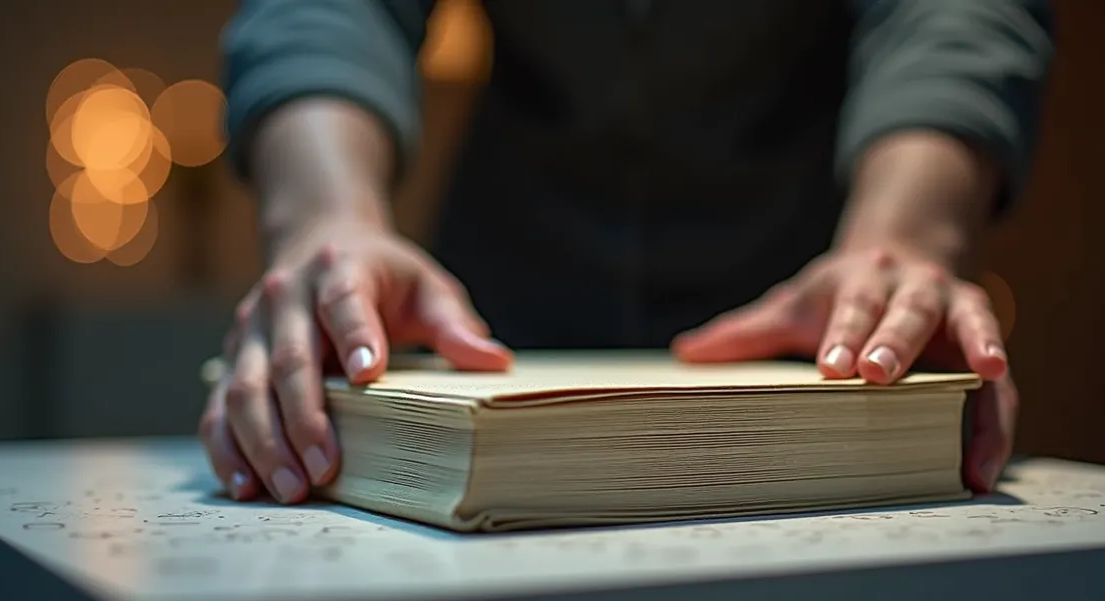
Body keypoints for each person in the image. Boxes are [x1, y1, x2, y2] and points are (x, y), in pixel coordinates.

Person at [201, 0, 1055, 506]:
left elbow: (952, 14)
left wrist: (904, 240)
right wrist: (327, 223)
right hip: (495, 319)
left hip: (811, 328)